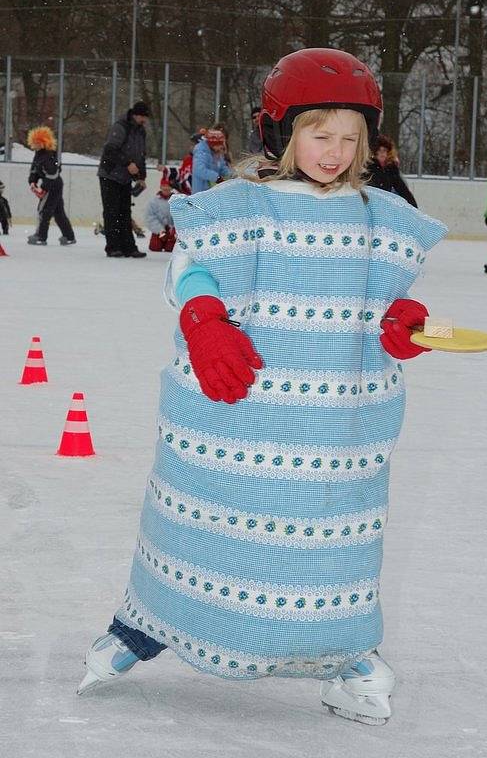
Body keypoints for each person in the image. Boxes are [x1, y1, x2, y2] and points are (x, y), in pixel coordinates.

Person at [77, 49, 447, 726]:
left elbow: (384, 307)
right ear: (278, 130)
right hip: (235, 420)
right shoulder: (241, 206)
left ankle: (348, 656)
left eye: (348, 138)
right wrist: (203, 317)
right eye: (318, 133)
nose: (333, 152)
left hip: (330, 432)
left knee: (326, 551)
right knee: (198, 530)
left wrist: (400, 326)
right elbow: (195, 268)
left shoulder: (376, 216)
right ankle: (143, 627)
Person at [97, 101, 150, 258]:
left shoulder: (141, 132)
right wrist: (127, 164)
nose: (144, 120)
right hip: (110, 175)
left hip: (125, 178)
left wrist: (141, 177)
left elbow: (141, 156)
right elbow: (110, 150)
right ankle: (113, 246)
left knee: (125, 212)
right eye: (143, 117)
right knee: (112, 212)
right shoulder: (120, 127)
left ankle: (129, 247)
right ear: (136, 115)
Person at [26, 126, 76, 245]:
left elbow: (53, 173)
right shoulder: (38, 154)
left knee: (44, 210)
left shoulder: (49, 155)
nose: (36, 145)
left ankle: (41, 237)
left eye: (38, 142)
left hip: (53, 186)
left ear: (45, 142)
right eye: (35, 142)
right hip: (53, 185)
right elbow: (34, 170)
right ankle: (69, 236)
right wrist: (33, 181)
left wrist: (43, 188)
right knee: (58, 212)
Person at [366, 134, 418, 207]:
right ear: (375, 152)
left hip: (384, 204)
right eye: (379, 150)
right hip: (370, 203)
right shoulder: (369, 167)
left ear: (388, 152)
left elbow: (402, 188)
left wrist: (414, 207)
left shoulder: (391, 169)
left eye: (384, 150)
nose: (382, 153)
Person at [145, 167, 177, 252]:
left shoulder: (176, 201)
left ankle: (171, 241)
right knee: (155, 247)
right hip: (159, 230)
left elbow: (180, 217)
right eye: (164, 186)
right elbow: (150, 218)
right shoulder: (153, 202)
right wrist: (160, 230)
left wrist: (174, 229)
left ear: (171, 188)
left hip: (172, 231)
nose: (166, 189)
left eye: (168, 187)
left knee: (170, 248)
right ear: (160, 187)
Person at [191, 128, 231, 194]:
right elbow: (199, 170)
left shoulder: (217, 152)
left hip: (213, 192)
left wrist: (233, 175)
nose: (220, 147)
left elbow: (222, 168)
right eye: (218, 144)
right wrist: (217, 178)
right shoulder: (201, 151)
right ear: (212, 144)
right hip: (201, 193)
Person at [178, 130, 205, 195]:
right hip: (186, 195)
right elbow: (182, 175)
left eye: (194, 144)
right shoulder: (187, 159)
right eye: (191, 144)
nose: (191, 147)